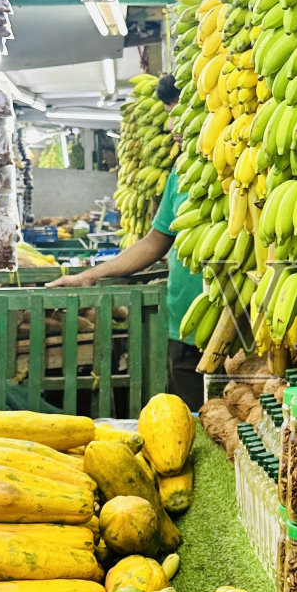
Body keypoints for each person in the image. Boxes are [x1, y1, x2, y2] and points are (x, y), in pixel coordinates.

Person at [46, 76, 205, 409]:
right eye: (169, 112)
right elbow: (156, 240)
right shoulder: (180, 172)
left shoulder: (237, 169)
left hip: (235, 326)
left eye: (182, 111)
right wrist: (91, 275)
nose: (173, 124)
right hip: (184, 327)